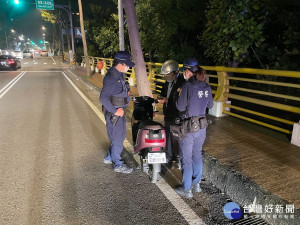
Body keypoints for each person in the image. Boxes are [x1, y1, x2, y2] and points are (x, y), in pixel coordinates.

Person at [174, 64, 213, 198]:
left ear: (191, 73)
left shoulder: (188, 86)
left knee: (186, 159)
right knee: (197, 155)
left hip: (189, 127)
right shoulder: (207, 87)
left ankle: (186, 189)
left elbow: (180, 106)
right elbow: (210, 105)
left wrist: (180, 95)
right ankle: (196, 184)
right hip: (202, 126)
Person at [100, 51, 135, 174]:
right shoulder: (111, 77)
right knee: (117, 139)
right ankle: (118, 164)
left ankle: (109, 157)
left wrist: (127, 94)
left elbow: (118, 91)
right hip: (115, 114)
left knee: (119, 137)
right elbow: (103, 98)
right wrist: (115, 111)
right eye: (127, 65)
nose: (128, 67)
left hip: (119, 112)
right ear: (121, 64)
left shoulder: (119, 74)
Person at [157, 60, 185, 167]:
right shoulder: (167, 83)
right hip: (168, 113)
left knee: (177, 137)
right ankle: (168, 157)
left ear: (174, 72)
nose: (165, 76)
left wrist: (167, 100)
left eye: (167, 74)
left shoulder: (182, 83)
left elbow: (181, 100)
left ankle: (178, 159)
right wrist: (160, 98)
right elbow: (163, 94)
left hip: (177, 115)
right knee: (167, 135)